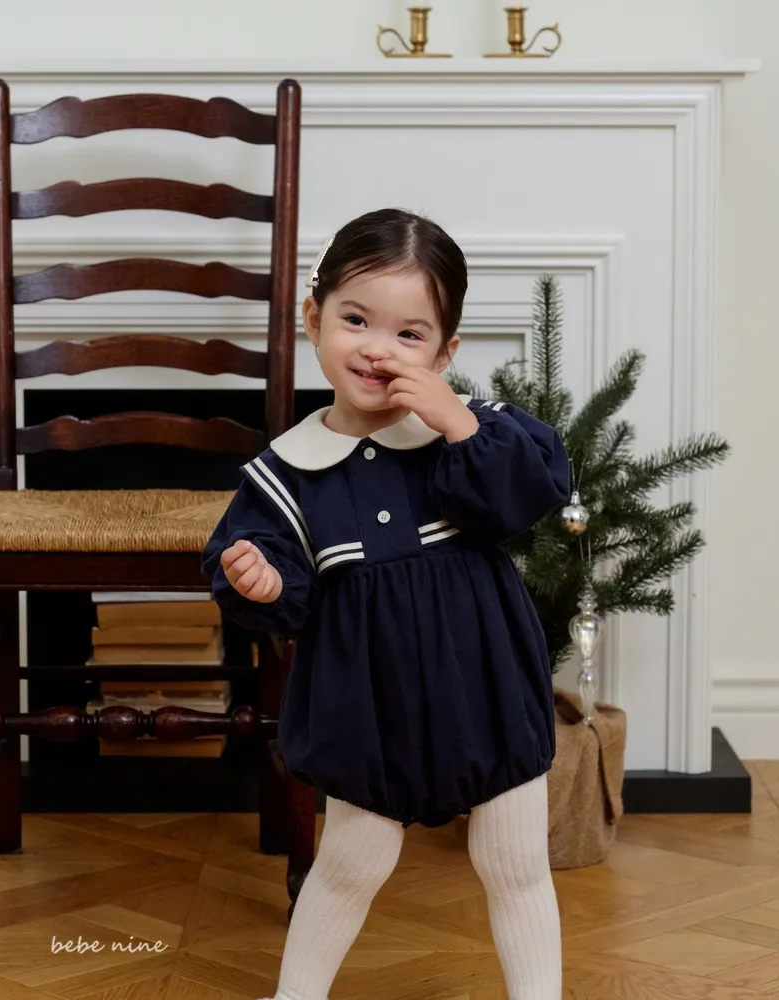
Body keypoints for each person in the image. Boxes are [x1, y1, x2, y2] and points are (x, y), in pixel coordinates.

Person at [202, 207, 571, 1000]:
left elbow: (526, 493)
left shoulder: (471, 434)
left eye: (410, 334)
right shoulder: (285, 474)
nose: (378, 348)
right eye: (356, 320)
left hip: (487, 692)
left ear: (445, 352)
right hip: (366, 711)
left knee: (513, 861)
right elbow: (275, 585)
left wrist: (458, 422)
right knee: (350, 863)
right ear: (314, 319)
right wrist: (262, 580)